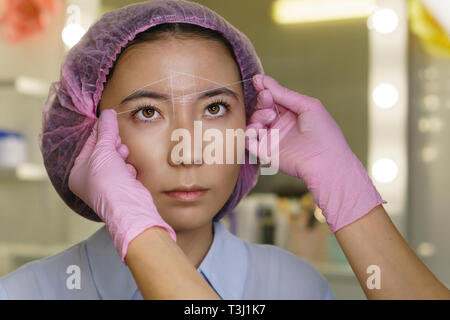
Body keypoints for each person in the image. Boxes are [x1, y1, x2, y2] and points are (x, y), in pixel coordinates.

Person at [0, 0, 336, 300]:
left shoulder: (297, 288)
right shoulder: (23, 294)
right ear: (88, 133)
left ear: (248, 124)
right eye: (148, 112)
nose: (187, 153)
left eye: (215, 108)